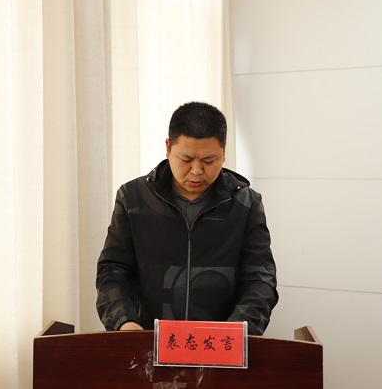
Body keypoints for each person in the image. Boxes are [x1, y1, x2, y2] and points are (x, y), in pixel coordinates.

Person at [96, 101, 278, 335]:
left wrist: (239, 328)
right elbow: (113, 270)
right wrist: (124, 322)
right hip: (148, 338)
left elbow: (260, 277)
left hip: (221, 340)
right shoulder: (133, 198)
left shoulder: (245, 203)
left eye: (209, 161)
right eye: (186, 159)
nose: (196, 171)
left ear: (224, 154)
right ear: (168, 148)